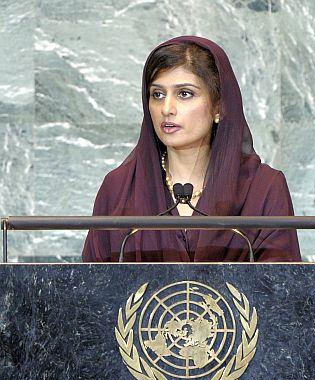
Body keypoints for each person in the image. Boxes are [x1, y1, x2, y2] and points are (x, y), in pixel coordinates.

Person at [82, 35, 301, 262]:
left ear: (219, 106)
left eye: (184, 94)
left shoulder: (263, 188)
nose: (166, 108)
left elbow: (281, 290)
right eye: (157, 94)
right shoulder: (118, 189)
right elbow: (94, 289)